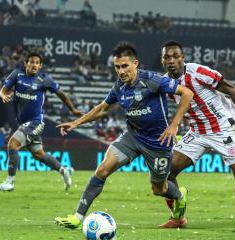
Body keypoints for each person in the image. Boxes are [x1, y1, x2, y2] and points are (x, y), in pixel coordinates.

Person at [54, 42, 194, 229]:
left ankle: (179, 195)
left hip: (158, 142)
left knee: (159, 189)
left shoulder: (152, 80)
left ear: (135, 63)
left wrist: (174, 125)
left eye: (124, 66)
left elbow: (187, 93)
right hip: (132, 137)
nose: (120, 71)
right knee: (102, 170)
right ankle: (77, 218)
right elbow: (103, 108)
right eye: (117, 67)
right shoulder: (119, 87)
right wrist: (76, 123)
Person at [159, 41, 235, 228]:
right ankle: (178, 217)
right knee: (165, 173)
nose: (171, 61)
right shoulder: (164, 83)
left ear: (183, 58)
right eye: (167, 57)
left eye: (176, 56)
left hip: (222, 130)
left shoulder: (198, 72)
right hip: (197, 133)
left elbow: (231, 89)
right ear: (162, 60)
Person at [0, 52, 84, 192]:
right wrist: (3, 95)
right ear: (26, 63)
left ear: (40, 65)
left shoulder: (44, 80)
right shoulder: (17, 75)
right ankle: (63, 170)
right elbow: (3, 90)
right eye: (31, 62)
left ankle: (10, 182)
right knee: (39, 155)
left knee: (13, 144)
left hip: (36, 122)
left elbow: (61, 94)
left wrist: (72, 110)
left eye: (37, 62)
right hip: (24, 123)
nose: (34, 65)